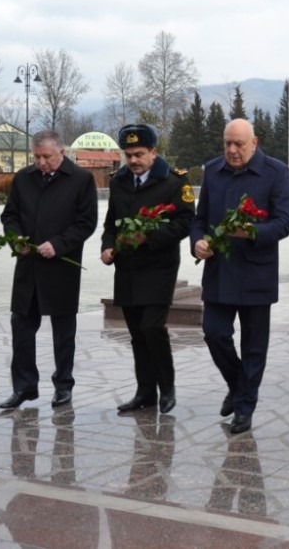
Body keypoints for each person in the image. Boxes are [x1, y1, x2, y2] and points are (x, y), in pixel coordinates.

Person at [190, 119, 289, 434]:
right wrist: (197, 243)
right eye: (227, 143)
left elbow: (284, 223)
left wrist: (250, 231)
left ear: (255, 142)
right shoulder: (213, 170)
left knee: (254, 345)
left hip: (256, 272)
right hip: (220, 270)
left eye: (238, 144)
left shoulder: (275, 172)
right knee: (214, 332)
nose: (232, 150)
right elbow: (200, 218)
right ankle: (238, 385)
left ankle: (245, 408)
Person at [0, 130, 98, 410]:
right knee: (21, 327)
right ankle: (24, 387)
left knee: (63, 331)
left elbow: (86, 222)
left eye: (46, 157)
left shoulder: (81, 180)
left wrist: (58, 244)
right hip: (28, 266)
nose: (41, 162)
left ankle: (63, 385)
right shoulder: (24, 178)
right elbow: (10, 215)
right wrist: (16, 238)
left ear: (61, 152)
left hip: (60, 267)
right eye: (37, 156)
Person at [101, 124, 195, 414]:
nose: (133, 160)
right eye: (127, 155)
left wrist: (150, 238)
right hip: (128, 268)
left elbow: (185, 222)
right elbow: (111, 223)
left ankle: (167, 388)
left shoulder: (175, 181)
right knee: (136, 333)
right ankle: (145, 392)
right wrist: (107, 246)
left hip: (159, 266)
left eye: (139, 154)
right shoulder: (118, 181)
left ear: (154, 152)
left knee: (152, 327)